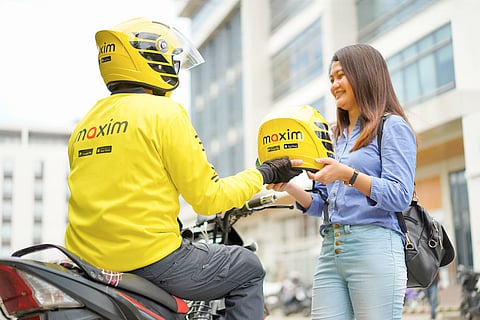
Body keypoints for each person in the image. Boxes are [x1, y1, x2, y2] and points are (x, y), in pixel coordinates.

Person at [64, 17, 301, 320]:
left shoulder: (85, 123)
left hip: (86, 263)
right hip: (149, 259)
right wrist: (266, 173)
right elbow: (208, 198)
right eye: (172, 60)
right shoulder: (164, 113)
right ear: (152, 60)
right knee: (247, 267)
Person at [267, 44, 417, 319]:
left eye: (340, 76)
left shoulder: (392, 127)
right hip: (331, 248)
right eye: (331, 79)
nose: (334, 85)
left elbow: (400, 195)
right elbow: (321, 204)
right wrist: (288, 186)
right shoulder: (332, 136)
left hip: (375, 245)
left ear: (364, 75)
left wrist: (347, 174)